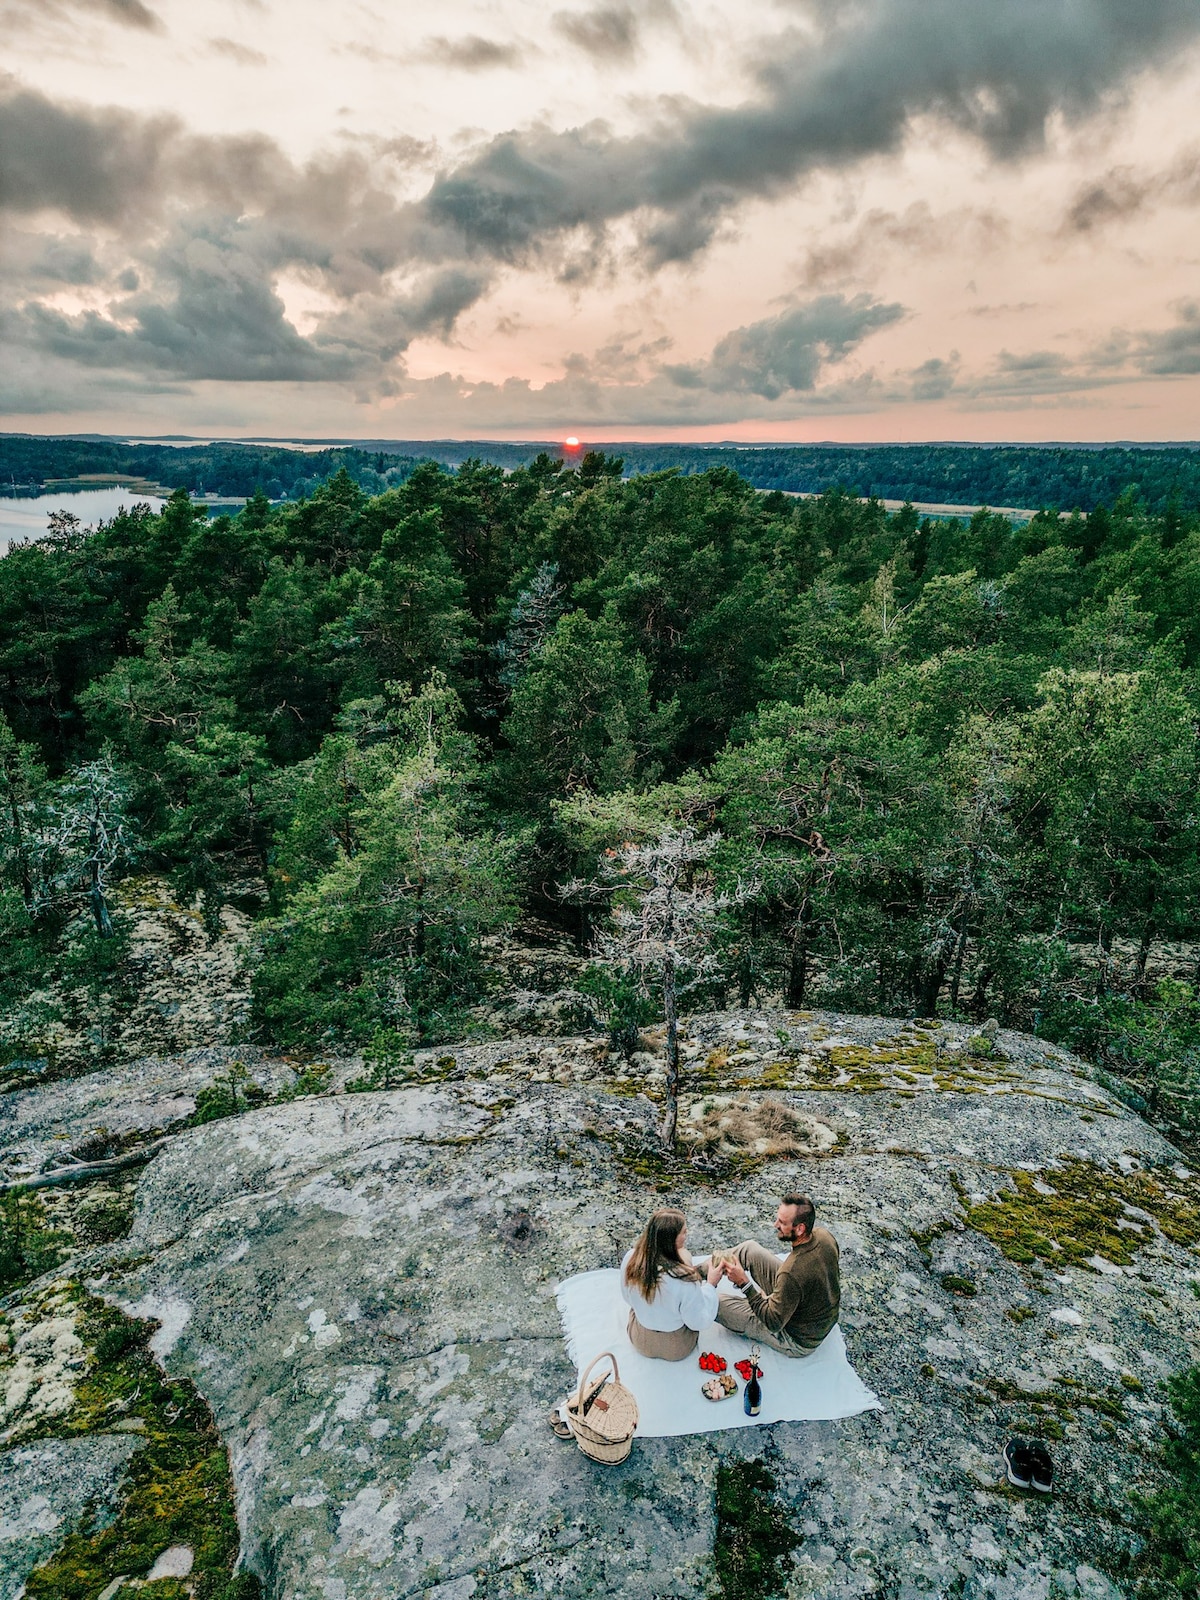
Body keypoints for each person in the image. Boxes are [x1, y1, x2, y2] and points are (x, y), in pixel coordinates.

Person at [712, 1191, 840, 1357]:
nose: (775, 1225)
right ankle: (696, 1273)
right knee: (750, 1250)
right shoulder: (825, 1236)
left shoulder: (791, 1272)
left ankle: (686, 1298)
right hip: (809, 1310)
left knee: (714, 1303)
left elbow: (773, 1323)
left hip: (798, 1338)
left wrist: (745, 1284)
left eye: (782, 1222)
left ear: (800, 1228)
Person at [620, 1206, 723, 1360]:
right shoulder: (685, 1278)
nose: (687, 1234)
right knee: (686, 1262)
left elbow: (627, 1298)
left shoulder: (630, 1259)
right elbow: (699, 1322)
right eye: (684, 1232)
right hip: (676, 1347)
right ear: (672, 1239)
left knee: (640, 1305)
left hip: (641, 1340)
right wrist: (711, 1285)